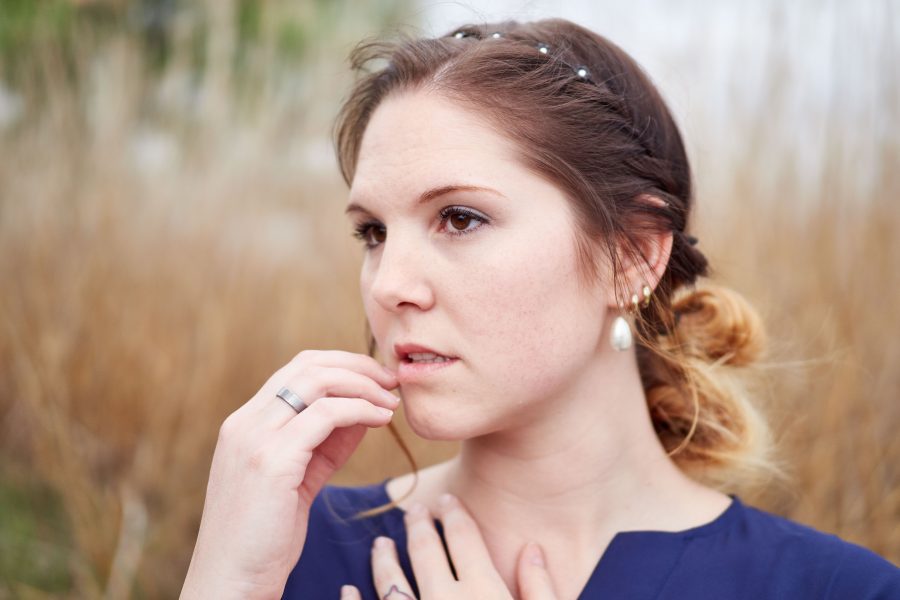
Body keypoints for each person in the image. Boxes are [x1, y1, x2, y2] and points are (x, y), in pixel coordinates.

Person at [180, 17, 900, 600]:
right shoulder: (288, 548)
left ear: (632, 256)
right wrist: (222, 584)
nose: (388, 284)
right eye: (373, 232)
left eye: (460, 218)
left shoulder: (835, 590)